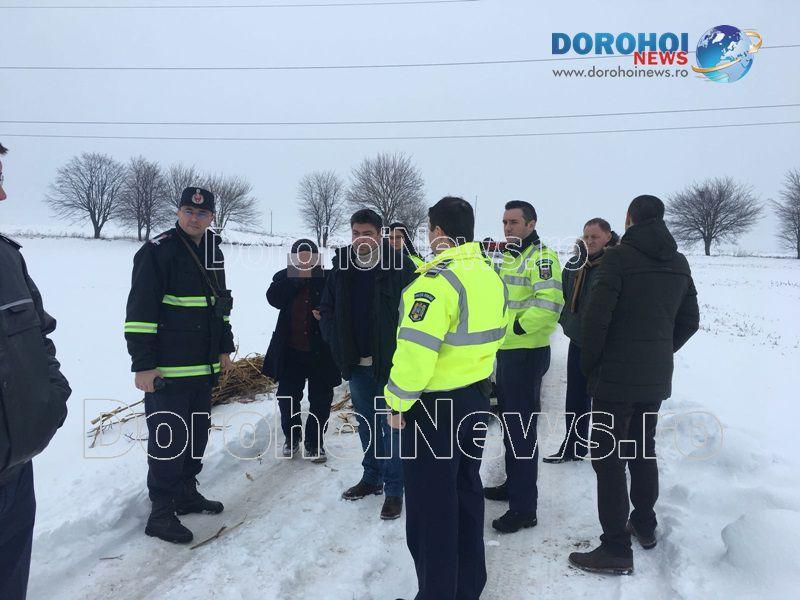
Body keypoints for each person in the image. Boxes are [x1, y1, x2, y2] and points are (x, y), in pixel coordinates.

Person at [568, 195, 699, 575]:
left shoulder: (618, 260)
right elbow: (690, 320)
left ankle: (615, 548)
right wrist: (657, 352)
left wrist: (592, 365)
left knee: (607, 458)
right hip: (653, 378)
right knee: (642, 449)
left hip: (614, 378)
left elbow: (595, 321)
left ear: (628, 219)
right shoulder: (678, 262)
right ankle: (643, 522)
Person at [385, 196, 507, 600]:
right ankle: (467, 588)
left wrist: (397, 403)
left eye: (429, 229)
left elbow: (415, 354)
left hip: (434, 411)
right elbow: (498, 335)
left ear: (437, 231)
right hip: (474, 399)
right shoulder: (489, 275)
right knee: (465, 493)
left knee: (431, 509)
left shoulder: (436, 283)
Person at [125, 187, 235, 544]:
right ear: (178, 212)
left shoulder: (213, 251)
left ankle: (186, 495)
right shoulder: (157, 251)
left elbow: (220, 305)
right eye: (188, 211)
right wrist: (143, 365)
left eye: (201, 213)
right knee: (168, 442)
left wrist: (225, 348)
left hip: (202, 369)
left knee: (197, 437)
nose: (194, 218)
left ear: (212, 217)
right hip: (168, 372)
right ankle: (161, 513)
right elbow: (140, 312)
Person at [0, 142, 71, 600]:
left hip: (15, 467)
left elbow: (40, 335)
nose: (3, 195)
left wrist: (51, 396)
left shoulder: (8, 258)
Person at [319, 208, 415, 520]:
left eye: (368, 234)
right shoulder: (342, 266)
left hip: (392, 364)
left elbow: (416, 314)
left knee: (394, 426)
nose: (361, 239)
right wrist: (335, 341)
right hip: (356, 364)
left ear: (380, 234)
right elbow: (327, 308)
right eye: (356, 233)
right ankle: (372, 477)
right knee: (367, 423)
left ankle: (394, 489)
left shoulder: (401, 266)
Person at [484, 200, 564, 533]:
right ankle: (513, 486)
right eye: (505, 222)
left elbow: (550, 305)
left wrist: (515, 328)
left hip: (525, 354)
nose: (508, 228)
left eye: (514, 222)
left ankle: (524, 509)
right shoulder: (509, 256)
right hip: (507, 354)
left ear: (531, 224)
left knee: (520, 431)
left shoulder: (541, 257)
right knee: (510, 425)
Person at [544, 218, 618, 464]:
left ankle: (606, 449)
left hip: (606, 345)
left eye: (595, 237)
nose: (589, 241)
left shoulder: (616, 265)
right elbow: (566, 294)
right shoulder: (575, 264)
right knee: (575, 396)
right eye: (586, 236)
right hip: (578, 340)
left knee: (605, 400)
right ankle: (573, 445)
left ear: (608, 236)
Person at [262, 238, 341, 462]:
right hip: (291, 352)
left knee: (320, 400)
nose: (305, 263)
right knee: (287, 398)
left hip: (321, 352)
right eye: (300, 259)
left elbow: (341, 306)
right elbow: (273, 299)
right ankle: (292, 436)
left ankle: (314, 443)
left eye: (309, 259)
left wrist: (326, 315)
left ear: (317, 259)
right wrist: (297, 279)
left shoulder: (328, 279)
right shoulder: (284, 277)